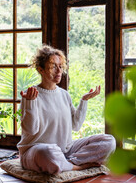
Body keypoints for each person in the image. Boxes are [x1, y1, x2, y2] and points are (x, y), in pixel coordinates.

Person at [17, 45, 116, 175]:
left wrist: (84, 101)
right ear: (40, 70)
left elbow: (76, 126)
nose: (59, 71)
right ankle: (77, 167)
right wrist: (30, 103)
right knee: (47, 153)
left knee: (109, 141)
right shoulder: (30, 95)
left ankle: (65, 163)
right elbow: (31, 130)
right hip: (36, 151)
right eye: (53, 66)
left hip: (65, 150)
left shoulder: (64, 94)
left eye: (60, 66)